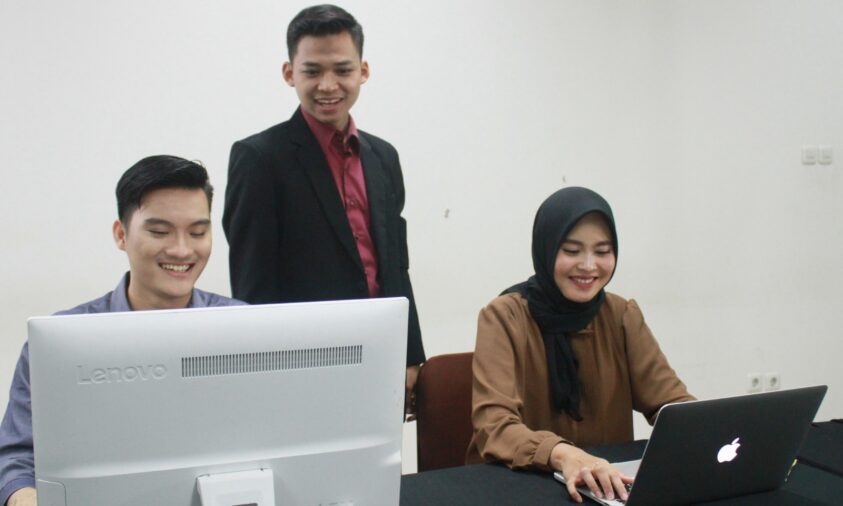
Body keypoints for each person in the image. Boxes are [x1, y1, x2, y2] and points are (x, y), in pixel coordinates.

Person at [0, 155, 244, 506]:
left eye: (197, 232)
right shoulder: (62, 345)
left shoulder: (245, 331)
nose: (182, 249)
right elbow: (17, 459)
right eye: (159, 232)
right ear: (121, 234)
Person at [223, 4, 424, 416]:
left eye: (342, 70)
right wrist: (264, 378)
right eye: (312, 71)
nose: (328, 85)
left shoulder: (383, 157)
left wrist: (410, 355)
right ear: (289, 73)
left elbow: (395, 266)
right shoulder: (259, 158)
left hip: (380, 356)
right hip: (300, 368)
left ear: (363, 71)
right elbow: (252, 286)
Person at [466, 186, 693, 503]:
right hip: (518, 486)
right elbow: (495, 426)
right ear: (546, 250)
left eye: (602, 251)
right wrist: (563, 455)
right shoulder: (505, 316)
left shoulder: (621, 314)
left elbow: (670, 403)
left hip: (602, 488)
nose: (588, 266)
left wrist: (712, 431)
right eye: (572, 251)